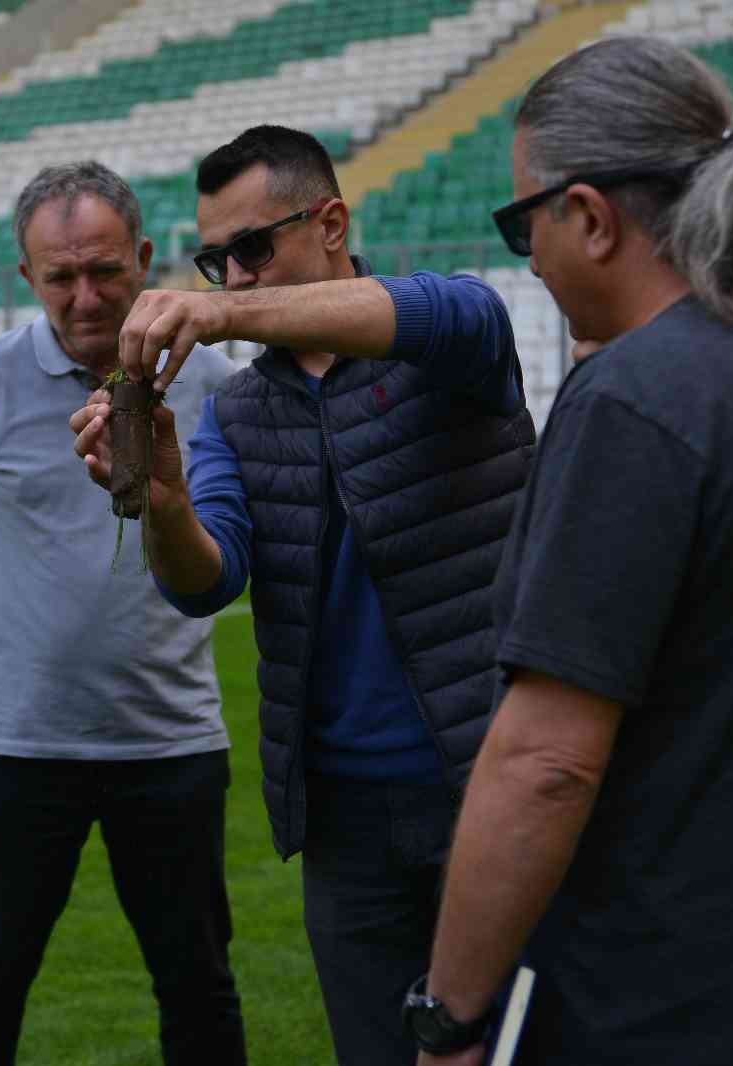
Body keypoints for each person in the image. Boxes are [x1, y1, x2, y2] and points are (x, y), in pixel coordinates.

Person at [404, 37, 733, 1066]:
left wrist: (450, 1016)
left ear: (591, 217)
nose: (531, 254)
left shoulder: (638, 399)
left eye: (526, 222)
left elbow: (546, 761)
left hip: (666, 1010)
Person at [70, 126, 535, 1064]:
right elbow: (208, 582)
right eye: (215, 259)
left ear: (330, 222)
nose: (232, 281)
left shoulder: (448, 335)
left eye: (252, 250)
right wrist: (163, 498)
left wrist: (226, 317)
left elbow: (459, 313)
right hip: (343, 815)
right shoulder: (239, 411)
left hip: (489, 780)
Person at [0, 161, 246, 1065]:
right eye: (60, 275)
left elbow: (229, 549)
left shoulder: (215, 383)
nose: (86, 294)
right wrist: (22, 647)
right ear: (27, 277)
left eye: (105, 269)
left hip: (171, 742)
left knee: (198, 984)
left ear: (144, 259)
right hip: (13, 747)